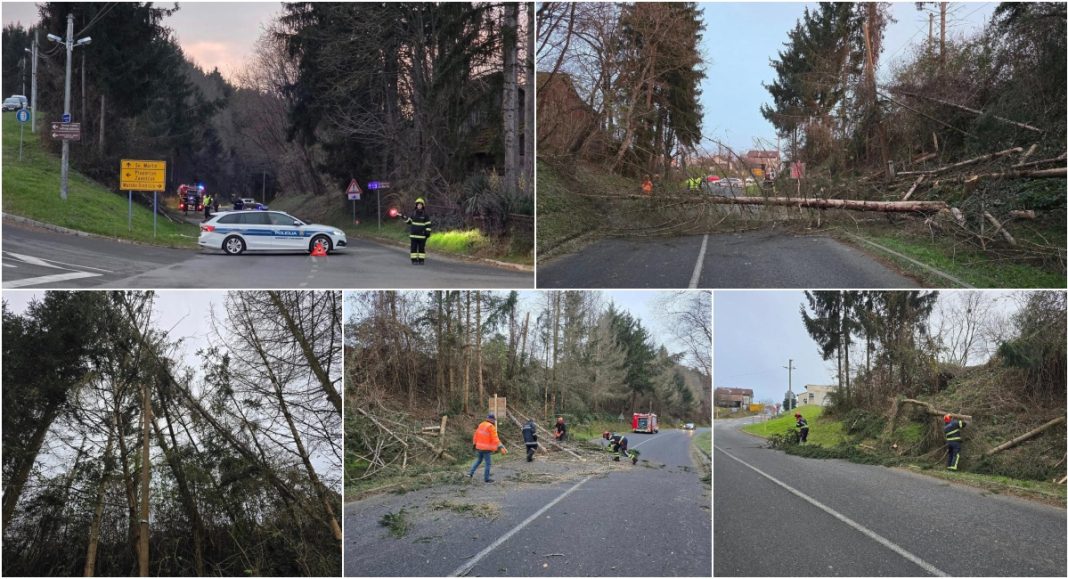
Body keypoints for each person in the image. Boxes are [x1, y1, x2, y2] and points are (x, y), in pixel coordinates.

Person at [469, 414, 506, 483]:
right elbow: (495, 439)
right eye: (494, 420)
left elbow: (475, 435)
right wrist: (501, 447)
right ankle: (486, 479)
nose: (494, 422)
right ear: (491, 420)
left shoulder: (481, 424)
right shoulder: (491, 427)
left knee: (478, 461)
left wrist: (474, 444)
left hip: (479, 447)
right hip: (486, 449)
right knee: (488, 464)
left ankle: (470, 474)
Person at [399, 198, 432, 265]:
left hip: (422, 236)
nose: (419, 206)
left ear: (423, 206)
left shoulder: (425, 215)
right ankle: (414, 261)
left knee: (421, 249)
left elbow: (428, 224)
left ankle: (421, 260)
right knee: (413, 249)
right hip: (413, 236)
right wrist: (403, 217)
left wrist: (427, 232)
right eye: (418, 205)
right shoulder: (413, 214)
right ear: (416, 205)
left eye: (420, 205)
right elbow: (409, 222)